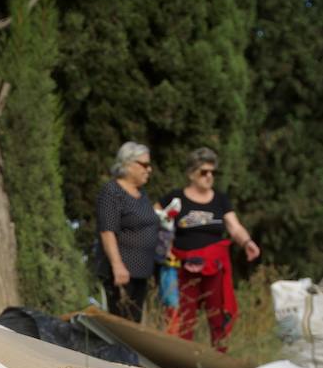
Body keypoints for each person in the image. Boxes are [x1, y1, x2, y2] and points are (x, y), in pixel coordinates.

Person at [161, 147, 262, 350]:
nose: (209, 176)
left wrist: (247, 242)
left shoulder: (220, 199)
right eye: (203, 172)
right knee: (183, 319)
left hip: (215, 268)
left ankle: (219, 364)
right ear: (191, 173)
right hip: (183, 268)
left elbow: (234, 226)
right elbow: (157, 221)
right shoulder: (176, 198)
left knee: (218, 317)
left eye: (212, 172)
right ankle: (180, 362)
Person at [96, 141, 160, 322]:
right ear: (128, 164)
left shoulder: (142, 194)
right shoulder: (112, 191)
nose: (149, 170)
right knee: (120, 326)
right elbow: (107, 231)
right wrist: (117, 265)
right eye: (144, 165)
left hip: (141, 273)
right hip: (122, 274)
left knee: (134, 325)